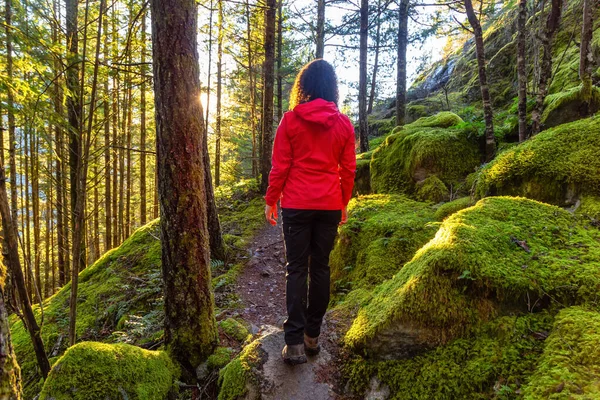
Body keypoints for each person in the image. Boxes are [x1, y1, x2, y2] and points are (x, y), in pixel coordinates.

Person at [264, 59, 356, 365]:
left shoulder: (291, 121)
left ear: (303, 85)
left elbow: (281, 166)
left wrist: (271, 199)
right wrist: (342, 203)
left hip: (296, 205)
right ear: (332, 87)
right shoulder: (343, 124)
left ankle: (293, 344)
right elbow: (348, 170)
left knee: (296, 269)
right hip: (329, 204)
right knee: (321, 269)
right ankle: (312, 337)